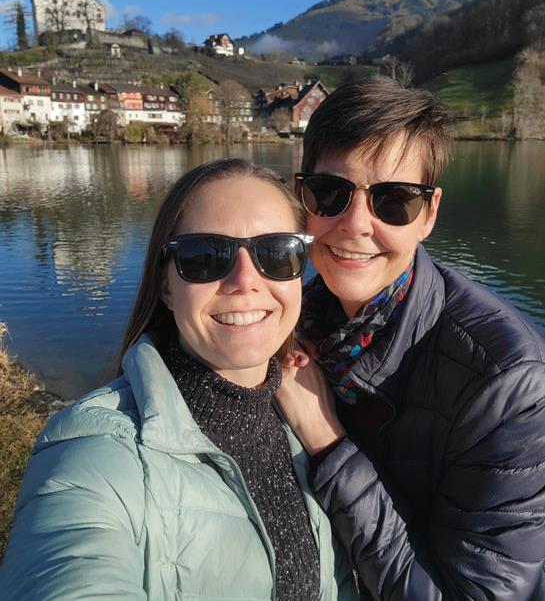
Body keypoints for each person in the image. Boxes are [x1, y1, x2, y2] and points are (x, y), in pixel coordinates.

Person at [0, 158, 359, 601]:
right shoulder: (95, 451)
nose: (245, 281)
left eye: (276, 252)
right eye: (204, 257)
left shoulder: (315, 414)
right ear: (166, 286)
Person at [276, 79, 545, 600]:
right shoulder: (290, 317)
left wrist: (326, 440)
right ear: (302, 197)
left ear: (430, 213)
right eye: (330, 192)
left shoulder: (508, 383)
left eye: (393, 200)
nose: (356, 225)